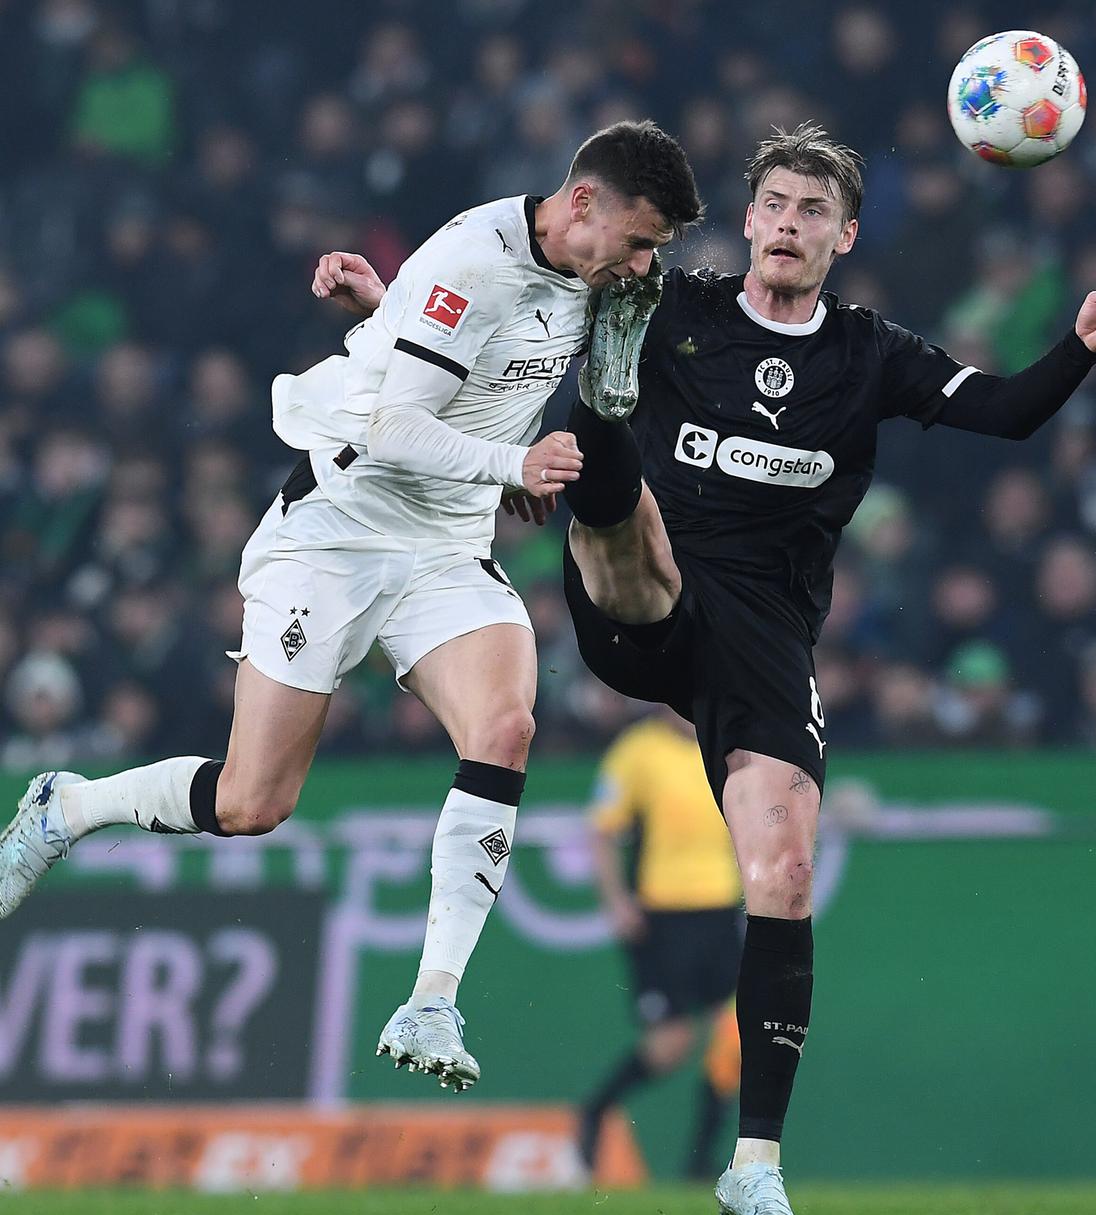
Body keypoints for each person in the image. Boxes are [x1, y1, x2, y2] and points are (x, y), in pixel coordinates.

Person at [0, 121, 704, 1094]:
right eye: (639, 236)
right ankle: (67, 807)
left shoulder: (576, 275)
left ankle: (432, 1000)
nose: (645, 260)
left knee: (504, 724)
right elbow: (392, 422)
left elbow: (453, 353)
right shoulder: (472, 255)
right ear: (583, 202)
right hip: (337, 530)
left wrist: (390, 308)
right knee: (254, 803)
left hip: (446, 548)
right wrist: (515, 463)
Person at [555, 124, 1096, 1215]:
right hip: (651, 602)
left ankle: (757, 1168)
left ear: (844, 235)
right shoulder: (676, 306)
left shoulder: (872, 354)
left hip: (769, 638)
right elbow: (525, 314)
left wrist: (1080, 344)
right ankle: (594, 456)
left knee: (782, 872)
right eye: (773, 203)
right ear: (749, 216)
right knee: (619, 486)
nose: (787, 224)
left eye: (811, 212)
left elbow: (1009, 413)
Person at [577, 706, 743, 1182]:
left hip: (720, 911)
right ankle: (595, 1111)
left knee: (733, 1034)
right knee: (671, 1045)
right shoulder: (637, 751)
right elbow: (602, 830)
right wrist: (615, 901)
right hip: (662, 915)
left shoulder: (726, 743)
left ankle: (702, 1161)